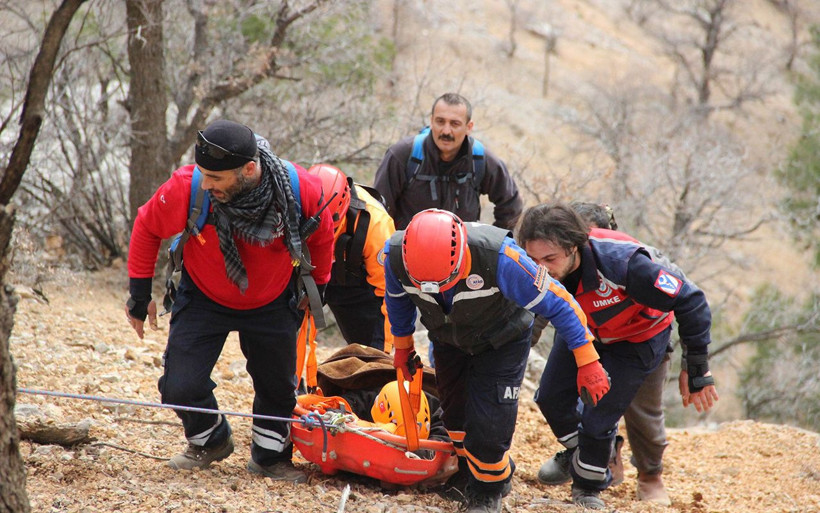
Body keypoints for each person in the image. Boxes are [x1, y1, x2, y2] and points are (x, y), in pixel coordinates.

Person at [125, 119, 334, 482]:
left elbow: (323, 232)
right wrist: (139, 295)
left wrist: (316, 287)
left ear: (249, 170)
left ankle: (270, 458)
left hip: (272, 299)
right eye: (204, 174)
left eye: (216, 178)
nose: (205, 183)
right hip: (204, 294)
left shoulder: (299, 188)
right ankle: (210, 439)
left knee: (277, 389)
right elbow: (146, 225)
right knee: (179, 386)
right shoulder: (188, 187)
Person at [383, 208, 611, 513]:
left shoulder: (501, 259)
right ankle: (481, 473)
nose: (437, 290)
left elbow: (561, 304)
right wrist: (402, 347)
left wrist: (588, 361)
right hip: (448, 337)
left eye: (444, 282)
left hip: (502, 340)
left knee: (490, 427)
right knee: (455, 421)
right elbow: (397, 301)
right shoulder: (395, 256)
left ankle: (487, 492)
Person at [517, 201, 719, 510]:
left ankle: (589, 486)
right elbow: (531, 315)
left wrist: (697, 368)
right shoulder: (536, 270)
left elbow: (691, 301)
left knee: (599, 413)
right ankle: (587, 455)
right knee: (550, 398)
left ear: (574, 248)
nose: (540, 268)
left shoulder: (623, 264)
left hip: (638, 337)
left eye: (549, 258)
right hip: (584, 330)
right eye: (533, 258)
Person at [373, 92, 523, 231]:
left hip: (461, 255)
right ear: (431, 121)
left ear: (469, 127)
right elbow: (378, 209)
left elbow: (511, 206)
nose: (446, 131)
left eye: (455, 124)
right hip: (406, 253)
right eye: (440, 122)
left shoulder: (480, 159)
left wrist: (491, 247)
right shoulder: (403, 155)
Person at [306, 164, 395, 351]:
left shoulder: (376, 224)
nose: (323, 237)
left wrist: (384, 348)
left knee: (368, 351)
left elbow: (388, 291)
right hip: (307, 269)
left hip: (355, 284)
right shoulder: (291, 204)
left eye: (331, 230)